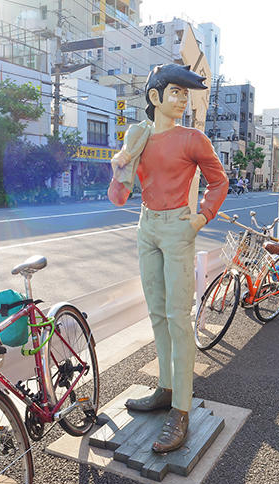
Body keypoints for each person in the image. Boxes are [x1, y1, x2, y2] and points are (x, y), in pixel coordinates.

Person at [108, 64, 228, 453]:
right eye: (175, 92)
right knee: (157, 314)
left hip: (178, 227)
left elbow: (219, 181)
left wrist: (200, 218)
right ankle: (165, 388)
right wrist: (120, 167)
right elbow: (118, 197)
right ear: (154, 97)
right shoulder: (138, 137)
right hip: (146, 226)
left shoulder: (193, 139)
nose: (182, 100)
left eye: (185, 94)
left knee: (178, 318)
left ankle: (181, 409)